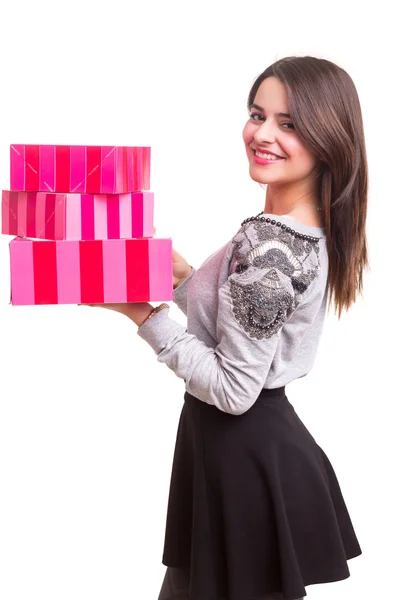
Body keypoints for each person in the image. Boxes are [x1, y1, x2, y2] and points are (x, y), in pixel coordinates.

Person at [94, 56, 367, 600]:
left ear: (328, 137)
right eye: (257, 114)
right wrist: (186, 279)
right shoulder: (299, 233)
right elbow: (243, 322)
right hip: (237, 453)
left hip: (242, 457)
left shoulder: (269, 246)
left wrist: (143, 316)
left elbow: (234, 388)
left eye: (289, 123)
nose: (263, 134)